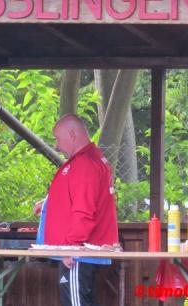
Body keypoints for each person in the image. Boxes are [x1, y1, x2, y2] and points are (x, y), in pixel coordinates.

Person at [34, 114, 119, 306]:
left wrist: (70, 247)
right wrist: (48, 203)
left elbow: (84, 210)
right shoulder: (90, 159)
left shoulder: (84, 164)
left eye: (57, 138)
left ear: (72, 135)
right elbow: (80, 197)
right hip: (79, 251)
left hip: (77, 252)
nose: (56, 145)